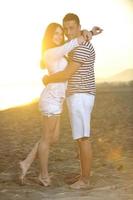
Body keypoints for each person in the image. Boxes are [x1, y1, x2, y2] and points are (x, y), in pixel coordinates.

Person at [19, 22, 100, 187]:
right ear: (48, 37)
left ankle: (26, 163)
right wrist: (86, 33)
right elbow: (71, 44)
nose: (58, 36)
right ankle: (43, 175)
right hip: (51, 99)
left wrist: (89, 32)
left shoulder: (60, 53)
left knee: (52, 139)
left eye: (59, 33)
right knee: (47, 139)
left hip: (57, 100)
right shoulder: (50, 53)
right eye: (54, 33)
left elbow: (71, 44)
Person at [42, 13, 103, 189]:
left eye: (71, 28)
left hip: (81, 95)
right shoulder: (78, 44)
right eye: (66, 28)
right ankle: (82, 174)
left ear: (78, 27)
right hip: (77, 95)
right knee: (79, 137)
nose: (68, 32)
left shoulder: (81, 48)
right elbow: (77, 40)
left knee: (83, 137)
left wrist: (48, 79)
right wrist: (89, 32)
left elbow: (67, 74)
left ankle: (85, 180)